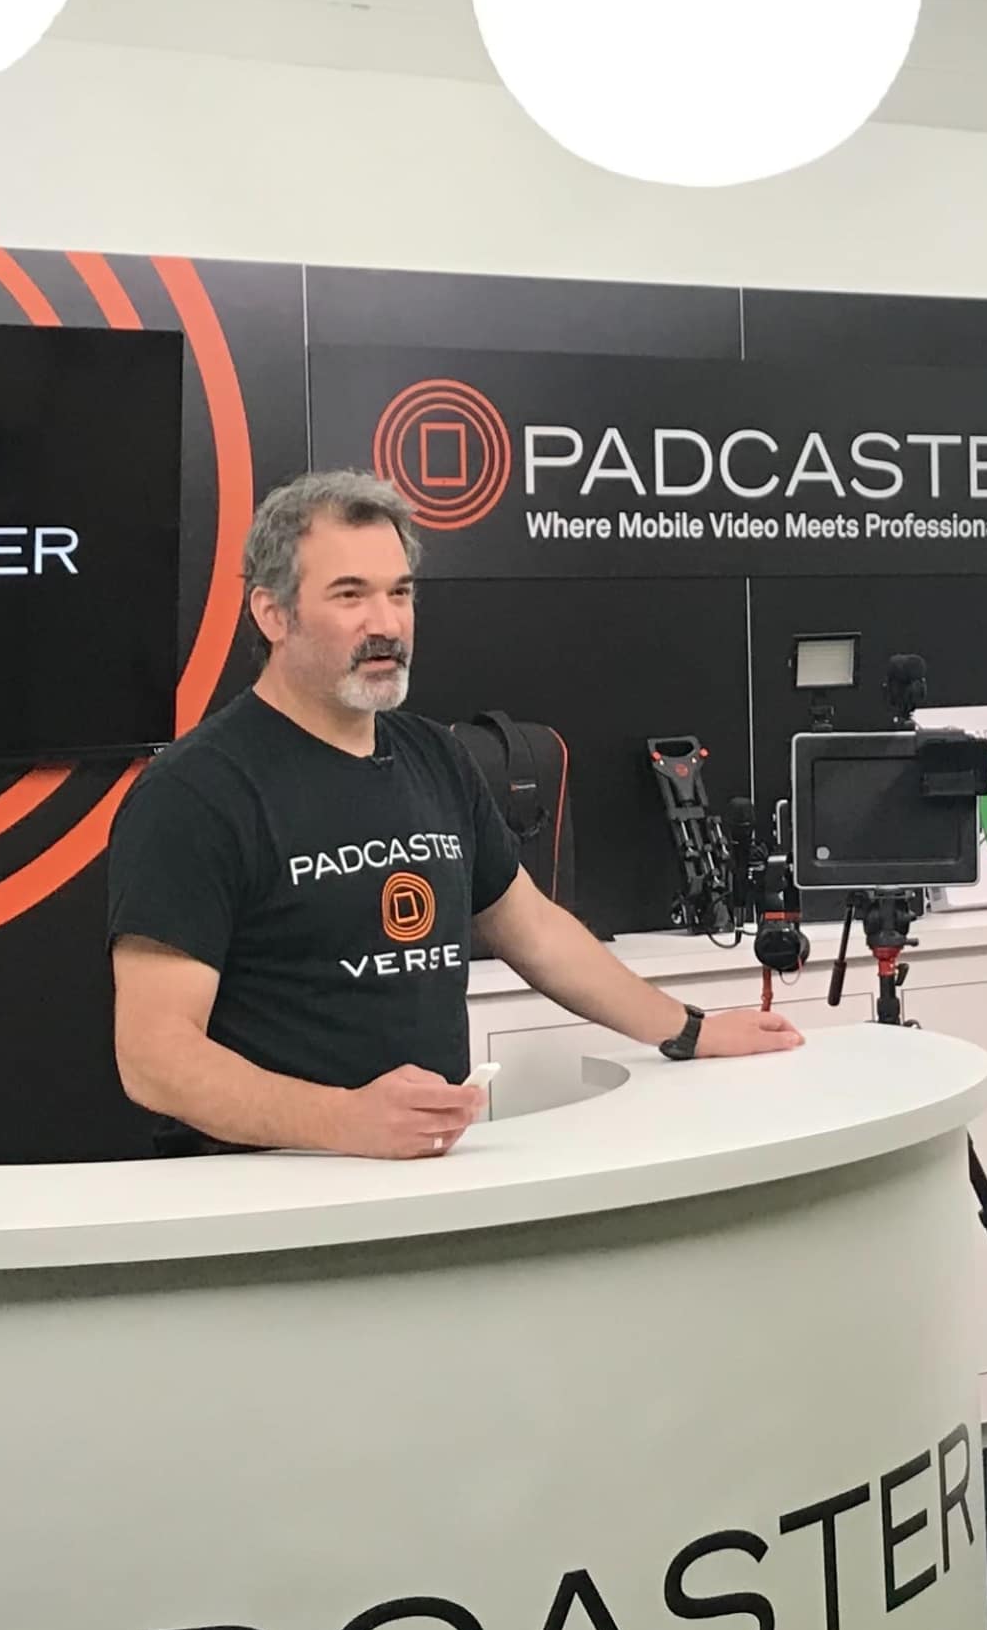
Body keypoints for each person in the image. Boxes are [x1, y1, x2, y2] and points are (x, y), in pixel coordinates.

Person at [105, 470, 799, 1157]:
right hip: (268, 1199)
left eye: (399, 593)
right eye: (350, 596)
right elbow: (155, 1058)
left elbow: (533, 930)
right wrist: (342, 1120)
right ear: (272, 613)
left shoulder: (433, 754)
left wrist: (688, 1030)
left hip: (425, 1175)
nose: (385, 625)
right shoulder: (195, 793)